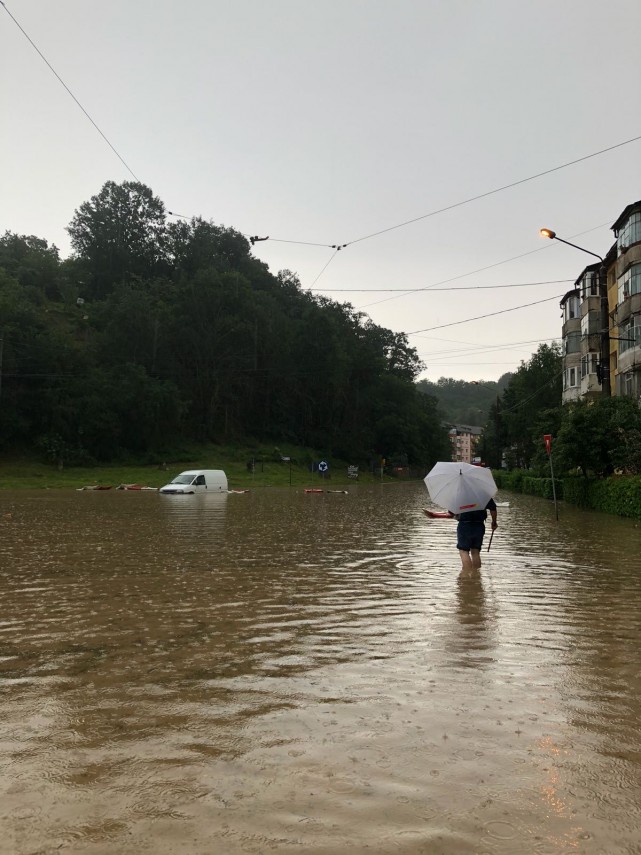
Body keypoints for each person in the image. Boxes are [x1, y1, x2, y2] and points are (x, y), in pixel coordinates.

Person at [454, 498, 497, 574]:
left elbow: (451, 512)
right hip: (479, 525)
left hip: (464, 525)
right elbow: (493, 509)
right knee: (475, 552)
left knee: (464, 551)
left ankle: (467, 579)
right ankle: (476, 576)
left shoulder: (459, 494)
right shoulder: (483, 493)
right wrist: (494, 522)